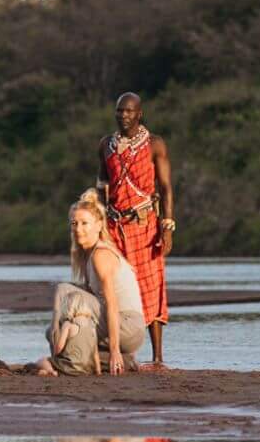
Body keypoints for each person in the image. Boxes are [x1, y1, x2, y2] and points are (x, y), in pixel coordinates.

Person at [98, 92, 175, 366]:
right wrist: (97, 222)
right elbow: (102, 186)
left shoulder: (155, 145)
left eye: (129, 111)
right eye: (120, 111)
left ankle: (157, 358)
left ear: (139, 114)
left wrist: (167, 226)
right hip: (114, 228)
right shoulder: (106, 146)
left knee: (152, 288)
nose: (124, 116)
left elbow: (165, 188)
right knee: (115, 289)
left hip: (145, 227)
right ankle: (120, 352)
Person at [35, 190, 144, 376]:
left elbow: (111, 303)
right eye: (74, 224)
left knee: (65, 292)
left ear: (99, 225)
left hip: (127, 324)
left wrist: (116, 350)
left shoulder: (101, 255)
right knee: (52, 330)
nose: (78, 229)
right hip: (113, 323)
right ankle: (121, 361)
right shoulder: (87, 257)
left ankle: (59, 362)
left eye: (85, 223)